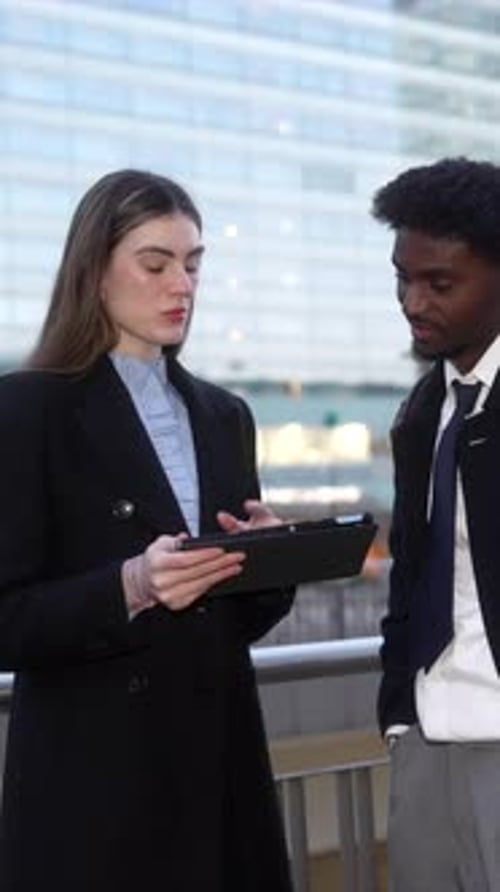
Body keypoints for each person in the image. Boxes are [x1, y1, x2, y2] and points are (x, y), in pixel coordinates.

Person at [0, 169, 295, 892]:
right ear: (94, 269)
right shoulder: (26, 410)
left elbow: (235, 622)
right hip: (94, 797)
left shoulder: (225, 416)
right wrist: (127, 587)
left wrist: (269, 561)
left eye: (192, 265)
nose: (182, 286)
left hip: (220, 778)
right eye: (156, 263)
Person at [372, 156, 500, 891]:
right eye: (402, 278)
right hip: (426, 740)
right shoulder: (423, 412)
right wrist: (398, 717)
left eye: (440, 283)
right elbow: (411, 573)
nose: (412, 301)